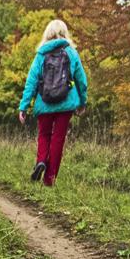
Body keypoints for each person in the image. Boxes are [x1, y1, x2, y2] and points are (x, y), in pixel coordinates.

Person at [18, 19, 88, 186]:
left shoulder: (41, 54)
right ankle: (49, 179)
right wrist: (82, 102)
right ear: (65, 33)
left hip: (44, 103)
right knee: (58, 139)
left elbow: (32, 82)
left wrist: (24, 106)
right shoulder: (71, 53)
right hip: (66, 104)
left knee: (44, 134)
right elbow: (81, 80)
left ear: (47, 34)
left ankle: (41, 160)